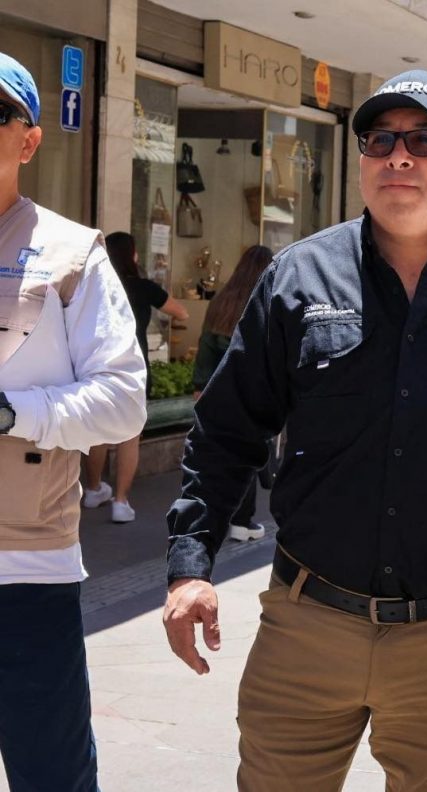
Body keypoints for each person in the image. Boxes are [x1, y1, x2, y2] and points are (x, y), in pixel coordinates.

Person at [162, 69, 427, 791]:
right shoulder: (300, 276)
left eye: (425, 140)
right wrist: (191, 565)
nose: (398, 156)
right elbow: (227, 430)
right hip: (307, 623)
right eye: (379, 141)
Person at [0, 53, 146, 791]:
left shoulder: (71, 253)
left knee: (50, 776)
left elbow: (123, 400)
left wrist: (12, 413)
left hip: (24, 569)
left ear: (29, 141)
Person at [83, 231, 188, 522]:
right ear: (132, 255)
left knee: (98, 431)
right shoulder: (142, 287)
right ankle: (120, 502)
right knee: (130, 435)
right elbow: (182, 313)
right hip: (133, 367)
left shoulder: (96, 284)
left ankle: (93, 490)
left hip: (97, 363)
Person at [191, 243, 272, 541]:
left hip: (218, 391)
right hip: (254, 393)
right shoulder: (267, 299)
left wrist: (200, 388)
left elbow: (205, 348)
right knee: (247, 455)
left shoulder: (221, 302)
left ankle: (216, 518)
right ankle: (241, 521)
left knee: (220, 457)